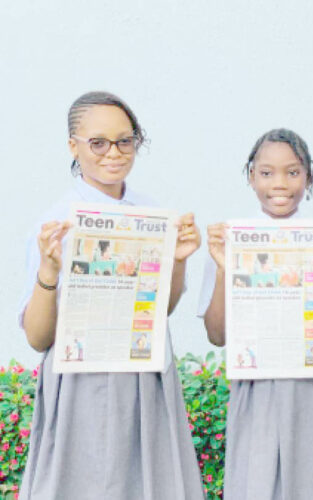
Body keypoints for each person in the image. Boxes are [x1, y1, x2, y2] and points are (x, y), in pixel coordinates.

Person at [17, 91, 204, 500]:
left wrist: (179, 261)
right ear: (73, 145)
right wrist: (48, 273)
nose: (113, 153)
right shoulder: (56, 222)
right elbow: (37, 337)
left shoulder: (151, 212)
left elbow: (161, 310)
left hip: (145, 376)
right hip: (81, 384)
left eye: (125, 140)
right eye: (98, 142)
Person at [198, 128, 313, 500]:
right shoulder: (230, 240)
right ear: (251, 176)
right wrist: (223, 269)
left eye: (293, 172)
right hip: (258, 388)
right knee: (257, 484)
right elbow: (217, 335)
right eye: (266, 173)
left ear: (308, 176)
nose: (279, 184)